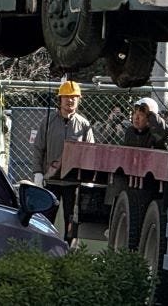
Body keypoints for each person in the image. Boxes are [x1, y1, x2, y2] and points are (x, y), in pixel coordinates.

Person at [32, 80, 94, 244]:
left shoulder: (84, 125)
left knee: (71, 221)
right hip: (50, 180)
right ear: (60, 99)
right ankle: (42, 248)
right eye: (67, 96)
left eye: (74, 97)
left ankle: (69, 251)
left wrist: (88, 179)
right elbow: (38, 148)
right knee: (46, 218)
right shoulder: (47, 121)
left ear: (79, 99)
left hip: (73, 183)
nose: (70, 100)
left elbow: (90, 154)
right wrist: (37, 173)